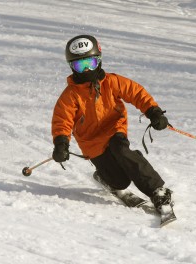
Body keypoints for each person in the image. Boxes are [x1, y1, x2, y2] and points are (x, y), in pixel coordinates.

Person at [51, 35, 173, 214]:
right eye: (80, 65)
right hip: (91, 142)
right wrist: (61, 143)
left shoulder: (112, 82)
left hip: (114, 129)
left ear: (98, 61)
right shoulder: (70, 95)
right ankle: (104, 176)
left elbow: (136, 92)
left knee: (121, 150)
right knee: (119, 182)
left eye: (90, 63)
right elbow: (62, 119)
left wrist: (153, 111)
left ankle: (157, 191)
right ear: (71, 66)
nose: (86, 70)